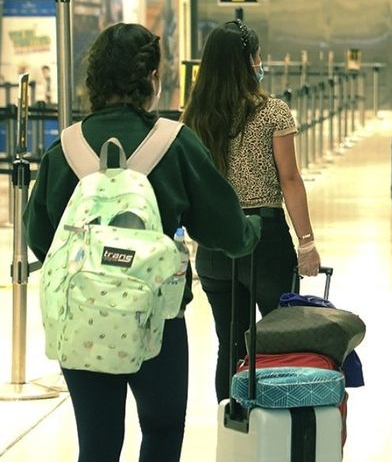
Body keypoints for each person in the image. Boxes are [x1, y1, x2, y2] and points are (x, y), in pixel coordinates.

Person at [24, 23, 261, 462]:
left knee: (97, 443)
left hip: (83, 313)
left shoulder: (66, 148)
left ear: (94, 79)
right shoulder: (174, 143)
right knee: (162, 429)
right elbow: (227, 233)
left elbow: (40, 237)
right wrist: (254, 229)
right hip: (158, 314)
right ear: (152, 78)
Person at [182, 19, 322, 401]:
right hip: (266, 239)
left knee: (229, 345)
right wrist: (307, 243)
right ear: (248, 60)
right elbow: (289, 179)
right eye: (257, 55)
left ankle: (232, 421)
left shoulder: (194, 117)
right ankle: (275, 423)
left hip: (215, 241)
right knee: (281, 342)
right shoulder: (273, 112)